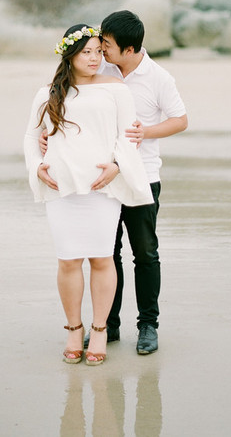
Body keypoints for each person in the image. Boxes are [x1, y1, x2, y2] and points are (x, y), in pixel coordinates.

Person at [40, 10, 188, 355]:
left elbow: (181, 120)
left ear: (130, 49)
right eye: (98, 44)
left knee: (146, 253)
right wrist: (49, 140)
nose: (100, 50)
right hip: (103, 179)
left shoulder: (158, 77)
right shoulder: (99, 70)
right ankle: (111, 324)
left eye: (106, 45)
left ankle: (148, 325)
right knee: (106, 253)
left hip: (143, 175)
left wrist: (146, 132)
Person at [24, 23, 153, 366]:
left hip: (101, 187)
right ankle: (72, 329)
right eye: (87, 52)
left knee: (100, 258)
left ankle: (98, 331)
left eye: (99, 51)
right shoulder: (48, 92)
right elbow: (31, 136)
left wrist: (116, 165)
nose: (95, 58)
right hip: (62, 188)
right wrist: (37, 166)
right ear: (70, 54)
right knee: (68, 260)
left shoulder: (116, 88)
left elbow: (128, 136)